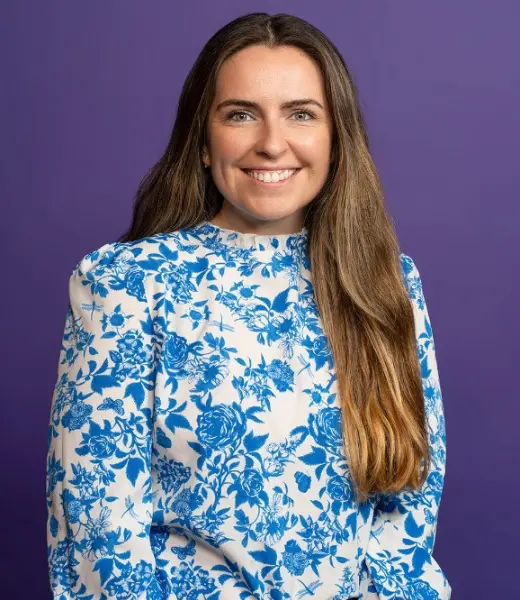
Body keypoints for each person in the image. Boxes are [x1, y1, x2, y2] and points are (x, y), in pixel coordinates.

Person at [45, 12, 451, 600]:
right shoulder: (126, 283)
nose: (271, 143)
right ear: (204, 144)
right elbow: (95, 523)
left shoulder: (387, 282)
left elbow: (407, 510)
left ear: (336, 140)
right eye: (240, 114)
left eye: (301, 114)